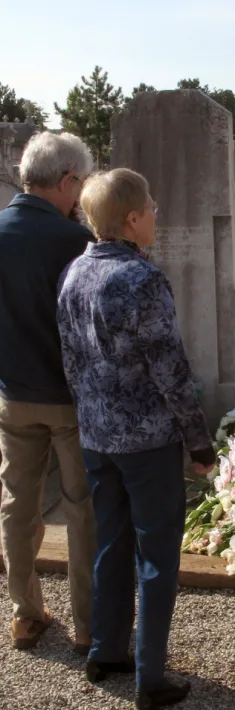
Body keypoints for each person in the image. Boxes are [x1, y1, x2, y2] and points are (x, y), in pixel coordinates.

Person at [57, 168, 216, 710]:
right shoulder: (141, 279)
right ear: (131, 218)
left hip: (97, 435)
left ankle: (105, 650)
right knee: (157, 553)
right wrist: (199, 441)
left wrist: (91, 418)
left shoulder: (75, 271)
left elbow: (71, 362)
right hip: (146, 442)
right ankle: (151, 677)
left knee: (111, 541)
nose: (156, 214)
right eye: (150, 206)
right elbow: (171, 371)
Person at [0, 132, 96, 652]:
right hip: (69, 397)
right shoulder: (74, 240)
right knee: (83, 508)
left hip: (13, 392)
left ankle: (25, 613)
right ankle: (88, 625)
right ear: (66, 180)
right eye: (80, 183)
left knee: (17, 504)